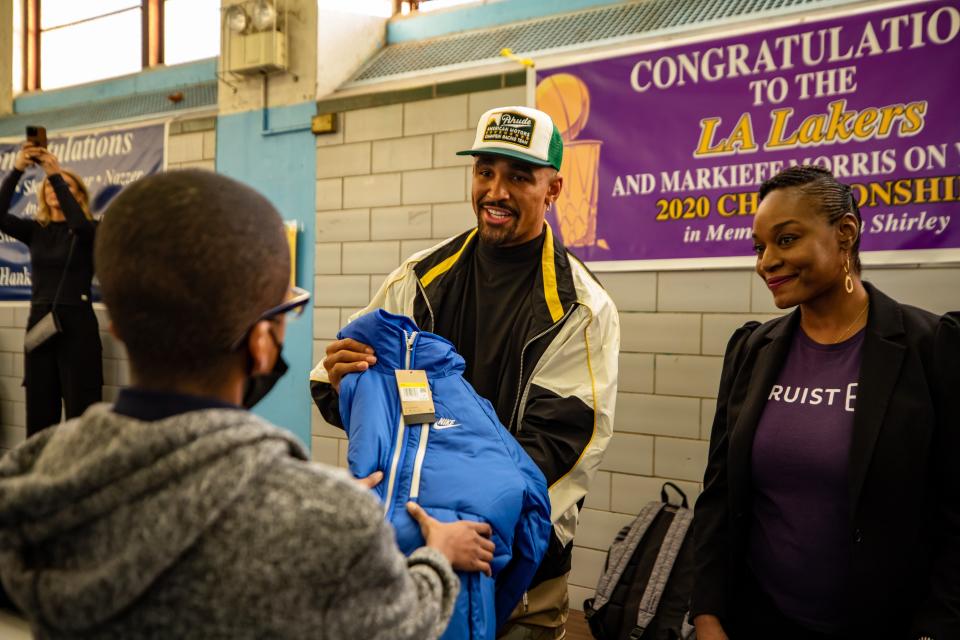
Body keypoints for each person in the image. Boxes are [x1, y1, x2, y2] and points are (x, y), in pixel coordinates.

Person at [0, 169, 496, 639]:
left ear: (118, 328)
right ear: (262, 342)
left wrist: (310, 493)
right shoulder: (328, 521)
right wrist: (435, 555)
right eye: (286, 311)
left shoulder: (36, 476)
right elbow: (400, 626)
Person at [312, 105, 620, 639]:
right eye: (485, 172)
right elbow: (332, 388)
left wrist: (457, 519)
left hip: (519, 564)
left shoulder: (581, 309)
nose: (495, 192)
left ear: (554, 189)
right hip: (413, 549)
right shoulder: (421, 279)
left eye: (518, 177)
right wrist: (344, 381)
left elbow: (558, 444)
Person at [691, 165, 960, 640]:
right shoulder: (753, 350)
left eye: (787, 239)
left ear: (846, 234)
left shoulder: (931, 348)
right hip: (760, 617)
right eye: (759, 247)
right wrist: (708, 611)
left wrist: (936, 628)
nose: (766, 262)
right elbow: (720, 493)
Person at [0, 142, 102, 436]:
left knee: (81, 412)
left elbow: (81, 228)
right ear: (42, 194)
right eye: (49, 187)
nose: (55, 190)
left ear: (77, 194)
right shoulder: (36, 231)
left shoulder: (89, 229)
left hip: (77, 328)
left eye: (65, 187)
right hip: (41, 325)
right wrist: (18, 169)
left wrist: (56, 174)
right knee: (39, 412)